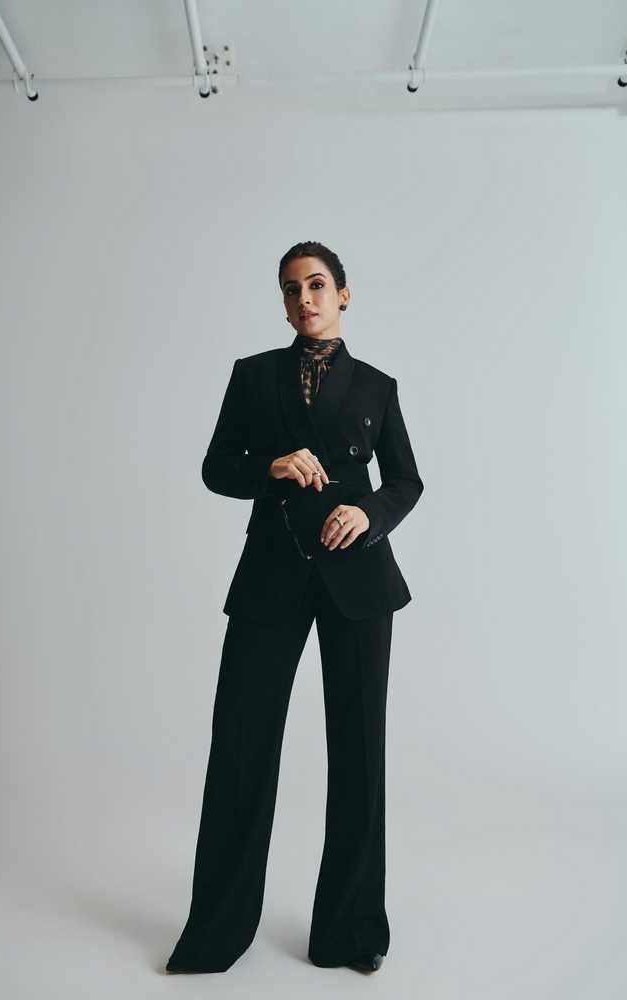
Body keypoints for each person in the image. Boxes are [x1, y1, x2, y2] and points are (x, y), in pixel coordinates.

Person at [165, 240, 423, 975]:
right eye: (290, 289)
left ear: (343, 293)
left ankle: (350, 932)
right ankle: (217, 932)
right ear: (283, 303)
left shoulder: (377, 387)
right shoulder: (253, 376)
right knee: (241, 744)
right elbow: (217, 467)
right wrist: (271, 466)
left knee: (359, 752)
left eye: (315, 285)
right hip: (271, 573)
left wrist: (369, 515)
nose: (303, 299)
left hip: (359, 580)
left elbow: (406, 481)